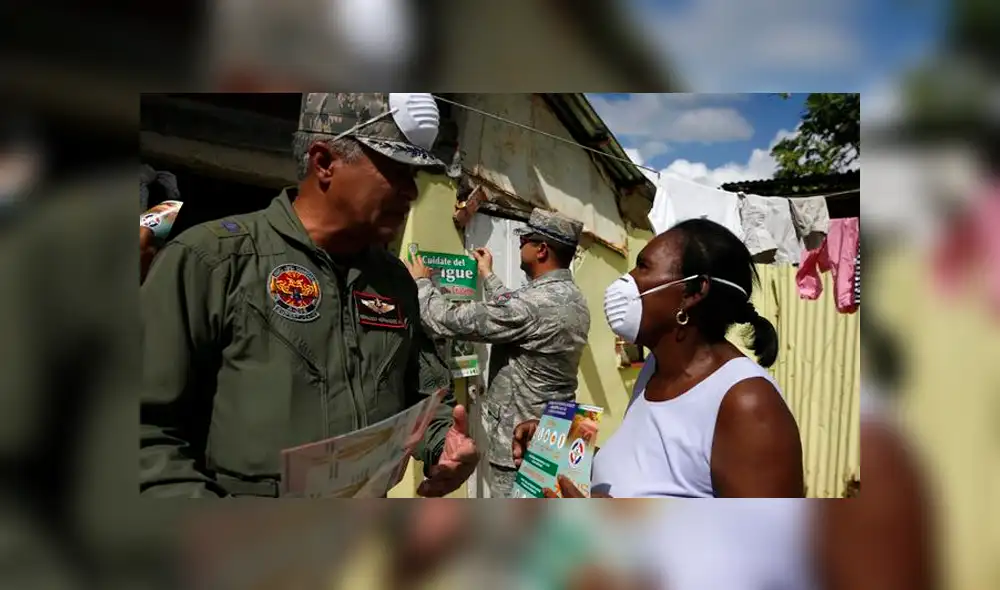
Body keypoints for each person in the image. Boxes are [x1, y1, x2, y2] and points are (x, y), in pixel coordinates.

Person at [140, 92, 478, 498]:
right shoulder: (212, 260)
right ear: (324, 163)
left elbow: (424, 394)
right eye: (396, 169)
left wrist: (444, 443)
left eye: (416, 176)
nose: (411, 191)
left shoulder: (395, 281)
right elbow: (145, 431)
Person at [515, 218, 804, 498]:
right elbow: (642, 472)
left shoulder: (747, 403)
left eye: (643, 267)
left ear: (693, 292)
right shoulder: (656, 369)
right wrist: (554, 448)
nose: (626, 280)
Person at [404, 209, 590, 498]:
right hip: (557, 433)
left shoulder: (533, 306)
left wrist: (421, 283)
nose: (519, 244)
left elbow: (444, 319)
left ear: (541, 250)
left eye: (525, 239)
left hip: (523, 446)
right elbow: (515, 310)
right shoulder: (572, 297)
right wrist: (488, 275)